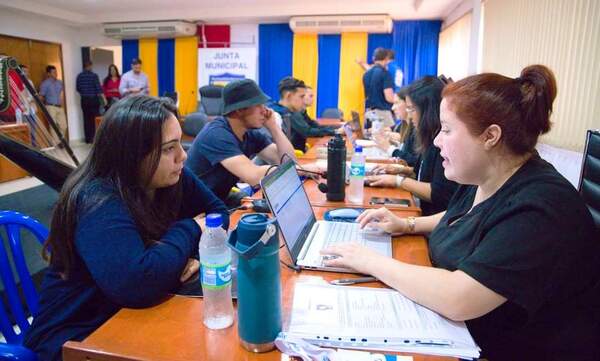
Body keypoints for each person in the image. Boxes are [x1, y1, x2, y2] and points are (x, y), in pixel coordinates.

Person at [322, 65, 600, 361]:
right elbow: (464, 217)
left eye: (447, 129)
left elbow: (458, 298)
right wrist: (406, 224)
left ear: (490, 136)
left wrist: (368, 260)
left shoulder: (542, 206)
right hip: (465, 333)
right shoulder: (486, 175)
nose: (437, 140)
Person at [22, 96, 229, 361]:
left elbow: (218, 215)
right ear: (131, 156)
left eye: (180, 142)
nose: (183, 155)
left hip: (127, 314)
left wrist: (195, 255)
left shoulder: (173, 175)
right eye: (169, 148)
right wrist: (190, 229)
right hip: (77, 335)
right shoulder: (97, 199)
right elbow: (137, 282)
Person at [185, 79, 297, 201]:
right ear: (239, 110)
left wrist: (274, 128)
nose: (264, 110)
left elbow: (287, 160)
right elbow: (254, 176)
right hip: (195, 209)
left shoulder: (249, 133)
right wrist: (300, 170)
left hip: (217, 200)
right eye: (258, 105)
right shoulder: (217, 134)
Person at [367, 76, 458, 216]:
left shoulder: (441, 141)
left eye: (412, 110)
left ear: (427, 109)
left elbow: (438, 192)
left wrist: (398, 181)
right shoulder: (429, 135)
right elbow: (424, 171)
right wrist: (403, 170)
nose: (409, 116)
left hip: (432, 218)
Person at [289, 86, 338, 152]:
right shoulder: (295, 113)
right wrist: (335, 132)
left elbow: (316, 126)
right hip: (294, 153)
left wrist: (335, 130)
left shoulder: (303, 112)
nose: (313, 99)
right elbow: (308, 131)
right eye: (310, 96)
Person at [362, 48, 395, 129]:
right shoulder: (385, 74)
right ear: (386, 59)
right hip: (382, 114)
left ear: (374, 58)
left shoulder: (366, 74)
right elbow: (389, 97)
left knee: (370, 137)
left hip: (369, 112)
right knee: (386, 139)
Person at [76, 60, 106, 143]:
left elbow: (78, 88)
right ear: (90, 66)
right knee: (95, 119)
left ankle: (88, 139)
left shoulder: (79, 76)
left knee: (86, 120)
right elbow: (98, 88)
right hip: (93, 100)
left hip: (84, 100)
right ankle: (95, 138)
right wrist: (104, 98)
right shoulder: (94, 75)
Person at [39, 65, 67, 136]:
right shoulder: (45, 84)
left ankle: (60, 141)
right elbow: (41, 97)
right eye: (53, 72)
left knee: (64, 126)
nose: (56, 74)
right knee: (53, 127)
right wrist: (43, 108)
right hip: (50, 107)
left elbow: (63, 92)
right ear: (48, 74)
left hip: (60, 107)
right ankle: (57, 144)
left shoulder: (60, 82)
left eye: (56, 72)